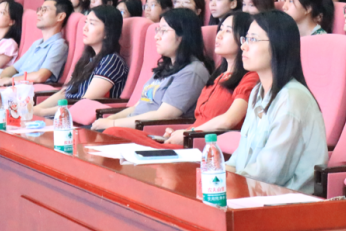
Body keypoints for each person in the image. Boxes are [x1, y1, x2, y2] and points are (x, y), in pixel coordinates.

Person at [104, 13, 260, 148]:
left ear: (244, 39)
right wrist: (178, 132)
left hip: (205, 147)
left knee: (114, 133)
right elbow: (198, 120)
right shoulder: (218, 76)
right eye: (220, 29)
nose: (219, 35)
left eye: (228, 31)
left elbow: (229, 120)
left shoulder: (250, 77)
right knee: (113, 134)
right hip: (189, 138)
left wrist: (188, 132)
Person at [227, 10, 328, 193]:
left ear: (278, 44)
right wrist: (217, 172)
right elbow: (241, 155)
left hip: (287, 200)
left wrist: (230, 183)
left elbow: (270, 173)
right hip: (255, 191)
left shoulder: (292, 98)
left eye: (253, 39)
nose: (243, 47)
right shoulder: (257, 91)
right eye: (245, 39)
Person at [91, 9, 213, 131]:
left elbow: (165, 115)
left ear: (183, 36)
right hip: (130, 127)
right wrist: (110, 119)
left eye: (163, 31)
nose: (156, 37)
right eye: (157, 30)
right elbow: (137, 107)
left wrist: (113, 124)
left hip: (148, 132)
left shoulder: (192, 72)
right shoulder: (165, 67)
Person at [33, 6, 128, 117]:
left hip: (88, 119)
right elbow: (65, 92)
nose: (85, 28)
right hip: (68, 114)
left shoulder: (111, 61)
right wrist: (35, 109)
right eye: (85, 22)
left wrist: (42, 112)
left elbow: (85, 102)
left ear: (108, 32)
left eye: (92, 23)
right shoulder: (88, 59)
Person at [0, 0, 71, 85]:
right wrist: (1, 78)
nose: (39, 13)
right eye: (40, 9)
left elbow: (40, 76)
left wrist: (10, 80)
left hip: (28, 89)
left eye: (45, 10)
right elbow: (13, 68)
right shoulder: (37, 43)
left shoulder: (59, 45)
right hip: (15, 86)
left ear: (60, 16)